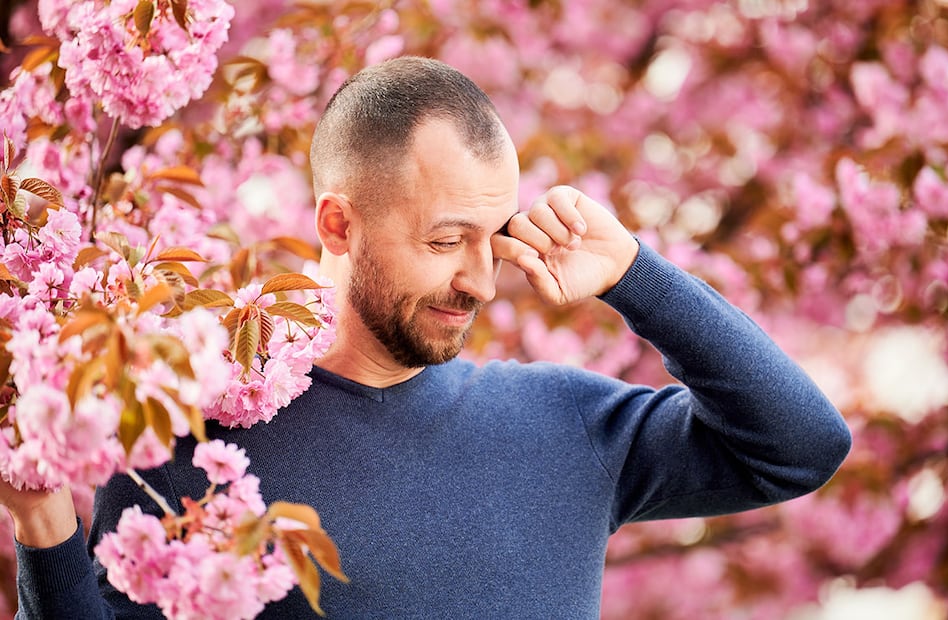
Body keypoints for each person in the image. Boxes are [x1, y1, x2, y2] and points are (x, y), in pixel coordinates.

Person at [7, 56, 851, 618]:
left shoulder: (570, 427)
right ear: (339, 224)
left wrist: (638, 275)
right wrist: (43, 524)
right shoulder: (190, 446)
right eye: (447, 241)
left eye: (495, 238)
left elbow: (800, 446)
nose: (482, 281)